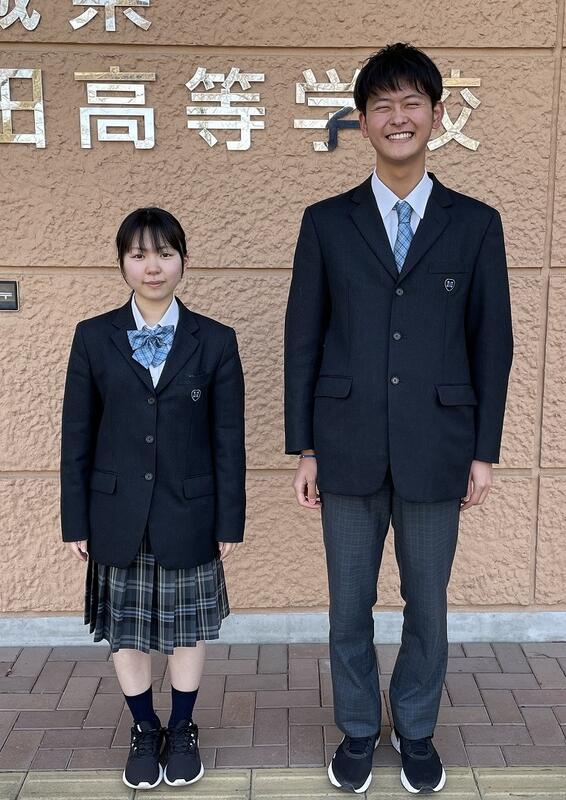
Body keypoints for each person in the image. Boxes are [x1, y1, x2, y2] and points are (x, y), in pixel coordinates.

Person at [284, 43, 513, 794]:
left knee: (427, 601)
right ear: (361, 120)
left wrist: (483, 451)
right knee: (349, 602)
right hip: (345, 448)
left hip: (437, 449)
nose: (397, 116)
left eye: (412, 102)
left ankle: (414, 728)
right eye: (381, 104)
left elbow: (492, 342)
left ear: (437, 116)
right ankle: (357, 729)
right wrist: (305, 446)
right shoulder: (326, 222)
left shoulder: (475, 224)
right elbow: (302, 336)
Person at [60, 207, 245, 790]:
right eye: (139, 254)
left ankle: (184, 728)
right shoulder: (93, 337)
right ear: (122, 264)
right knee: (128, 630)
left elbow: (227, 438)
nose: (152, 266)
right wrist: (75, 521)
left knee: (186, 630)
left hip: (189, 510)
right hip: (115, 511)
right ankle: (145, 728)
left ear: (184, 261)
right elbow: (77, 435)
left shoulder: (215, 341)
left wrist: (229, 520)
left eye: (164, 253)